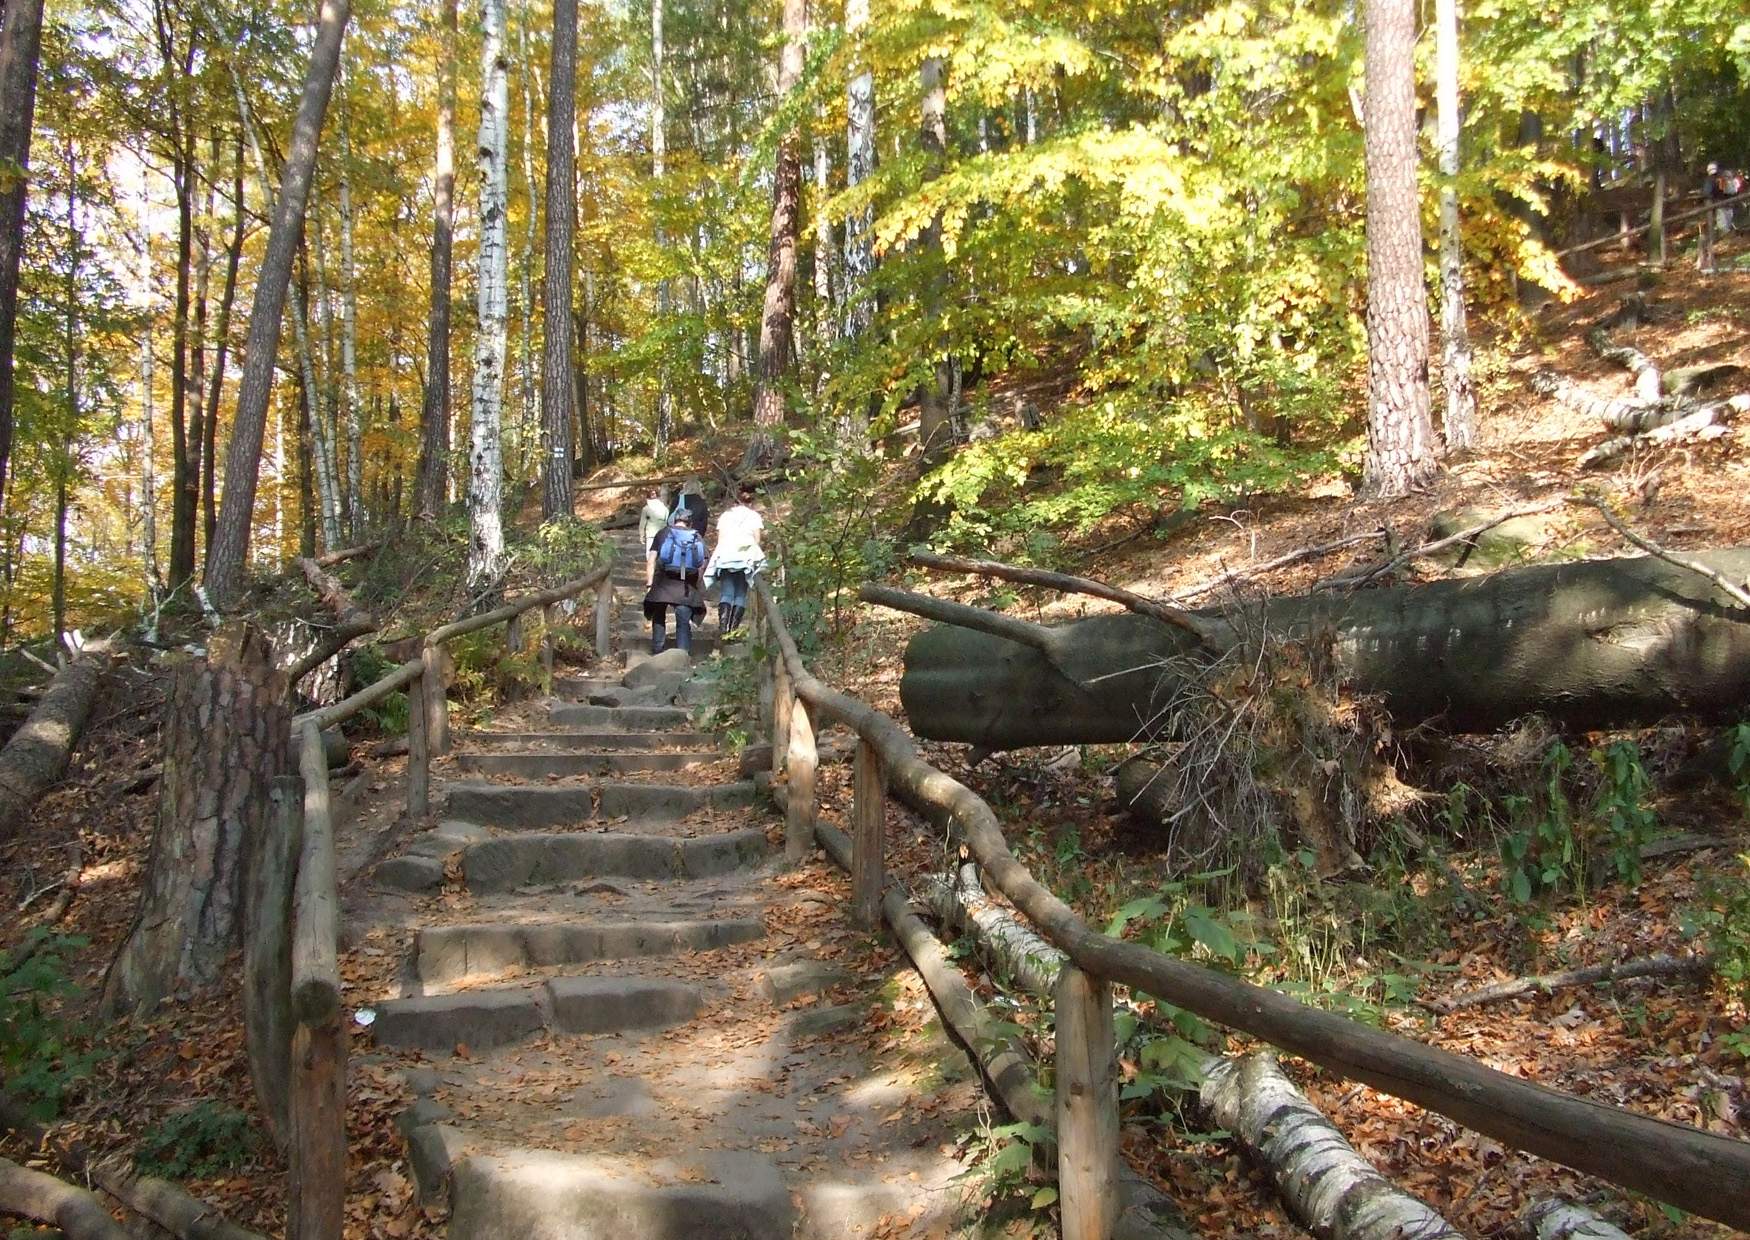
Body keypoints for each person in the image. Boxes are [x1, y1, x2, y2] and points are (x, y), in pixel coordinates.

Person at [704, 485, 766, 638]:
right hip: (746, 557)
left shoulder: (726, 515)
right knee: (740, 593)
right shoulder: (754, 516)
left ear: (736, 500)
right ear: (751, 502)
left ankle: (723, 627)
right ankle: (733, 629)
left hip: (726, 556)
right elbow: (757, 540)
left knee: (726, 592)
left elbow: (720, 539)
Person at [644, 508, 707, 655]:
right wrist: (697, 583)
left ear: (674, 519)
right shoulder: (696, 537)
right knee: (683, 621)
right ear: (690, 522)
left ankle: (658, 649)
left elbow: (651, 559)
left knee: (658, 615)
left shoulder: (663, 533)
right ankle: (682, 654)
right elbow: (703, 562)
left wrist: (649, 583)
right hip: (685, 587)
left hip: (662, 585)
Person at [639, 484, 671, 550]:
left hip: (651, 534)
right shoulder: (664, 508)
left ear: (647, 498)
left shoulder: (646, 508)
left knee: (650, 552)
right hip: (662, 532)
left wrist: (642, 535)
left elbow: (642, 524)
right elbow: (668, 520)